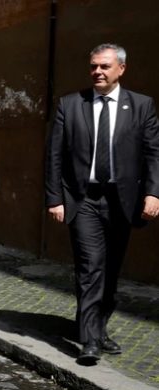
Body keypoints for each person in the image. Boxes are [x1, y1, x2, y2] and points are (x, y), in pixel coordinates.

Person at [45, 43, 159, 365]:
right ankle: (89, 340)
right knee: (90, 266)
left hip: (123, 201)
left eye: (105, 66)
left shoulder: (141, 106)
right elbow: (54, 155)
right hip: (84, 200)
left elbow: (153, 153)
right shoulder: (71, 104)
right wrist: (54, 198)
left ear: (121, 68)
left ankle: (100, 326)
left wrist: (154, 193)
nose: (98, 71)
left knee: (110, 269)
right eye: (94, 66)